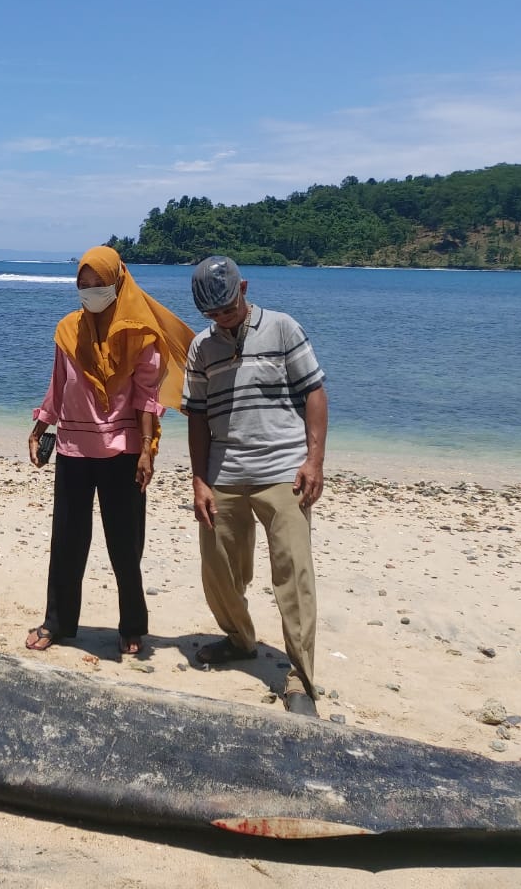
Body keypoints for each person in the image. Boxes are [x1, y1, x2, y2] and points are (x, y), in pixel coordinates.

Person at [25, 246, 195, 656]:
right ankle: (58, 622)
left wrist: (147, 451)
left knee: (125, 543)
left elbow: (147, 399)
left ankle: (132, 625)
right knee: (66, 540)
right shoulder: (68, 329)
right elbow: (58, 385)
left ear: (117, 283)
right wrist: (39, 427)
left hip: (123, 452)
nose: (89, 292)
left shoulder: (141, 335)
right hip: (73, 449)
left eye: (98, 285)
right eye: (82, 286)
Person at [183, 256, 328, 718]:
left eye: (226, 308)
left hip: (283, 472)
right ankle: (239, 639)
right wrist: (199, 480)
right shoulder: (201, 348)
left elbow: (314, 394)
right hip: (224, 473)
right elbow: (198, 418)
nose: (220, 318)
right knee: (220, 570)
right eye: (211, 313)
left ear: (243, 288)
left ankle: (300, 677)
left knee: (294, 575)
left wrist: (314, 461)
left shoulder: (283, 329)